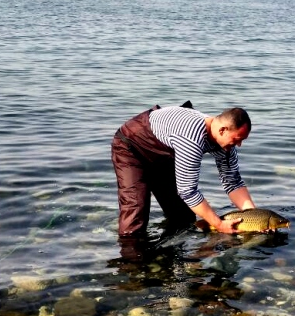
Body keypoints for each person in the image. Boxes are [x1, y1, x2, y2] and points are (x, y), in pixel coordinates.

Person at [111, 101, 258, 237]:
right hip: (131, 148)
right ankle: (131, 262)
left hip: (163, 153)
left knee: (184, 217)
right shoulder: (192, 139)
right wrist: (219, 224)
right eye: (237, 139)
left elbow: (233, 182)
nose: (239, 145)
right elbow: (187, 191)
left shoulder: (226, 145)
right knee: (135, 216)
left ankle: (170, 258)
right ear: (222, 130)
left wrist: (256, 218)